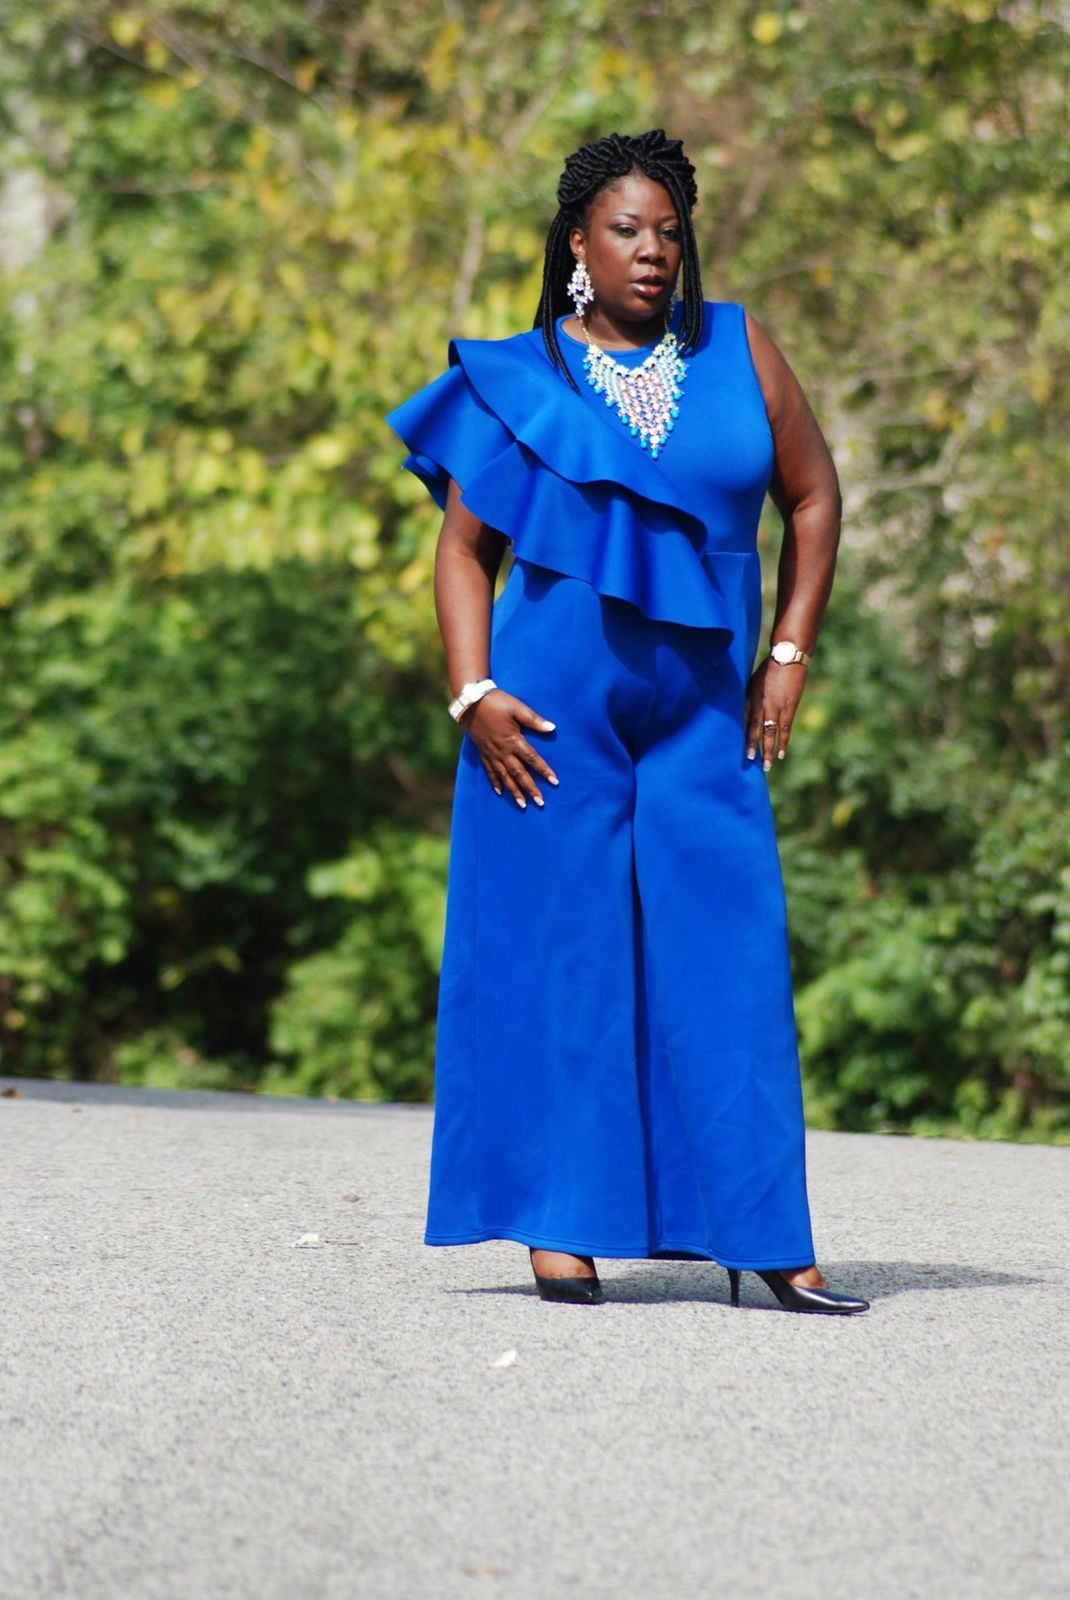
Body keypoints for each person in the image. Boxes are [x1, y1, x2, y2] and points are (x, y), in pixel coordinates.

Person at [385, 129, 869, 1315]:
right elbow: (463, 552)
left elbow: (812, 498)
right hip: (546, 716)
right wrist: (472, 691)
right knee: (568, 961)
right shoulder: (519, 377)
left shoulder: (737, 348)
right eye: (626, 229)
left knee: (729, 953)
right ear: (575, 244)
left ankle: (768, 1238)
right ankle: (562, 1222)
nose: (652, 250)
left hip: (705, 712)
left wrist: (787, 652)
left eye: (668, 231)